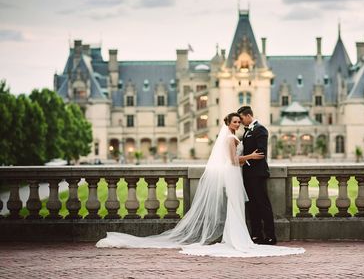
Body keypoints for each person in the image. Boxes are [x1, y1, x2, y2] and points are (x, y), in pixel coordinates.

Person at [96, 113, 304, 258]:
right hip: (233, 173)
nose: (238, 124)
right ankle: (238, 239)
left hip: (235, 174)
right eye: (235, 121)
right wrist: (249, 155)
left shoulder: (233, 136)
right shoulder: (232, 138)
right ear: (229, 123)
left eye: (239, 121)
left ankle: (238, 237)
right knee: (236, 206)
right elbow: (232, 161)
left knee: (237, 207)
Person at [237, 106, 276, 245]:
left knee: (263, 205)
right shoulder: (247, 132)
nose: (240, 122)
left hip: (258, 174)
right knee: (252, 206)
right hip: (248, 174)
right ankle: (256, 235)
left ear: (248, 116)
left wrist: (244, 160)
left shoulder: (260, 129)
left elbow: (261, 152)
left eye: (241, 118)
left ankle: (271, 236)